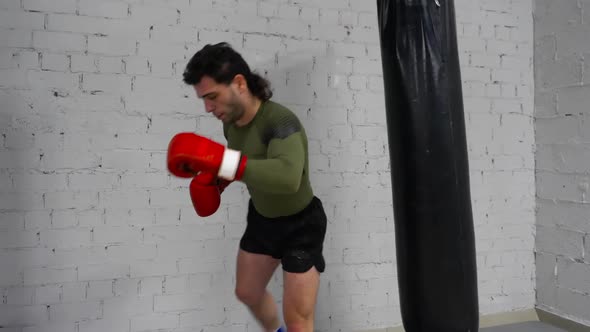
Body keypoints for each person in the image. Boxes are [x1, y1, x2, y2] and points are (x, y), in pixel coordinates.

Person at [166, 42, 327, 332]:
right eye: (204, 99)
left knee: (298, 322)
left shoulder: (280, 121)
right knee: (248, 292)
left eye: (212, 97)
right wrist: (216, 179)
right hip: (262, 220)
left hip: (301, 226)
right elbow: (241, 162)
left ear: (239, 83)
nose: (208, 108)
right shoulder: (231, 124)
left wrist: (224, 163)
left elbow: (288, 177)